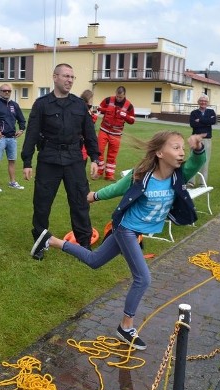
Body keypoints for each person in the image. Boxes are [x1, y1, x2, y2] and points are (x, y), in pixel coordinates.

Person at [30, 131, 207, 350]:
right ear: (160, 153)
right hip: (126, 229)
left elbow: (198, 161)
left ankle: (52, 240)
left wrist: (198, 148)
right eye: (176, 147)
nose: (181, 153)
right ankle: (126, 326)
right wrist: (94, 196)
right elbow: (118, 188)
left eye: (182, 148)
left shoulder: (178, 175)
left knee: (95, 261)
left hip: (135, 231)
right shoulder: (142, 175)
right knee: (143, 278)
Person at [21, 63, 100, 259]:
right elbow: (31, 133)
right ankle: (40, 243)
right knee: (42, 203)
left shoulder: (79, 105)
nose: (70, 80)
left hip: (74, 160)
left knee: (80, 202)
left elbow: (89, 134)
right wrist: (27, 162)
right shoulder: (42, 104)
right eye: (66, 76)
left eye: (72, 77)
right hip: (49, 159)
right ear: (55, 77)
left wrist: (95, 158)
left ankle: (84, 245)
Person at [0, 84, 26, 192]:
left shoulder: (14, 105)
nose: (7, 92)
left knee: (12, 161)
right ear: (0, 92)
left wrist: (21, 130)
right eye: (4, 91)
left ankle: (12, 182)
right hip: (0, 138)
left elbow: (22, 120)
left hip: (12, 138)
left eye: (9, 91)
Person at [95, 86, 135, 180]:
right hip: (104, 130)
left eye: (120, 97)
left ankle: (109, 175)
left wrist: (124, 115)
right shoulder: (108, 100)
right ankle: (99, 172)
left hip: (116, 134)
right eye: (117, 96)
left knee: (112, 155)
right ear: (116, 93)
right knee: (99, 151)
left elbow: (132, 120)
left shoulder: (129, 105)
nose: (118, 98)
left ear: (124, 95)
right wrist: (108, 110)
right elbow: (99, 108)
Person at [189, 94, 216, 184]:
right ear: (198, 102)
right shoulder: (194, 113)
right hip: (195, 139)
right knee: (193, 160)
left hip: (207, 140)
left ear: (207, 103)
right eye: (201, 100)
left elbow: (212, 121)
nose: (203, 102)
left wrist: (199, 120)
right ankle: (191, 182)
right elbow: (193, 124)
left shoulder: (211, 112)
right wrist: (205, 121)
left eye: (205, 101)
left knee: (205, 161)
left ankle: (202, 183)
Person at [80, 89, 99, 161]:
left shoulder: (82, 106)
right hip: (83, 139)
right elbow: (88, 123)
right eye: (91, 99)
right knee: (83, 155)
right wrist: (95, 117)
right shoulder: (85, 108)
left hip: (84, 139)